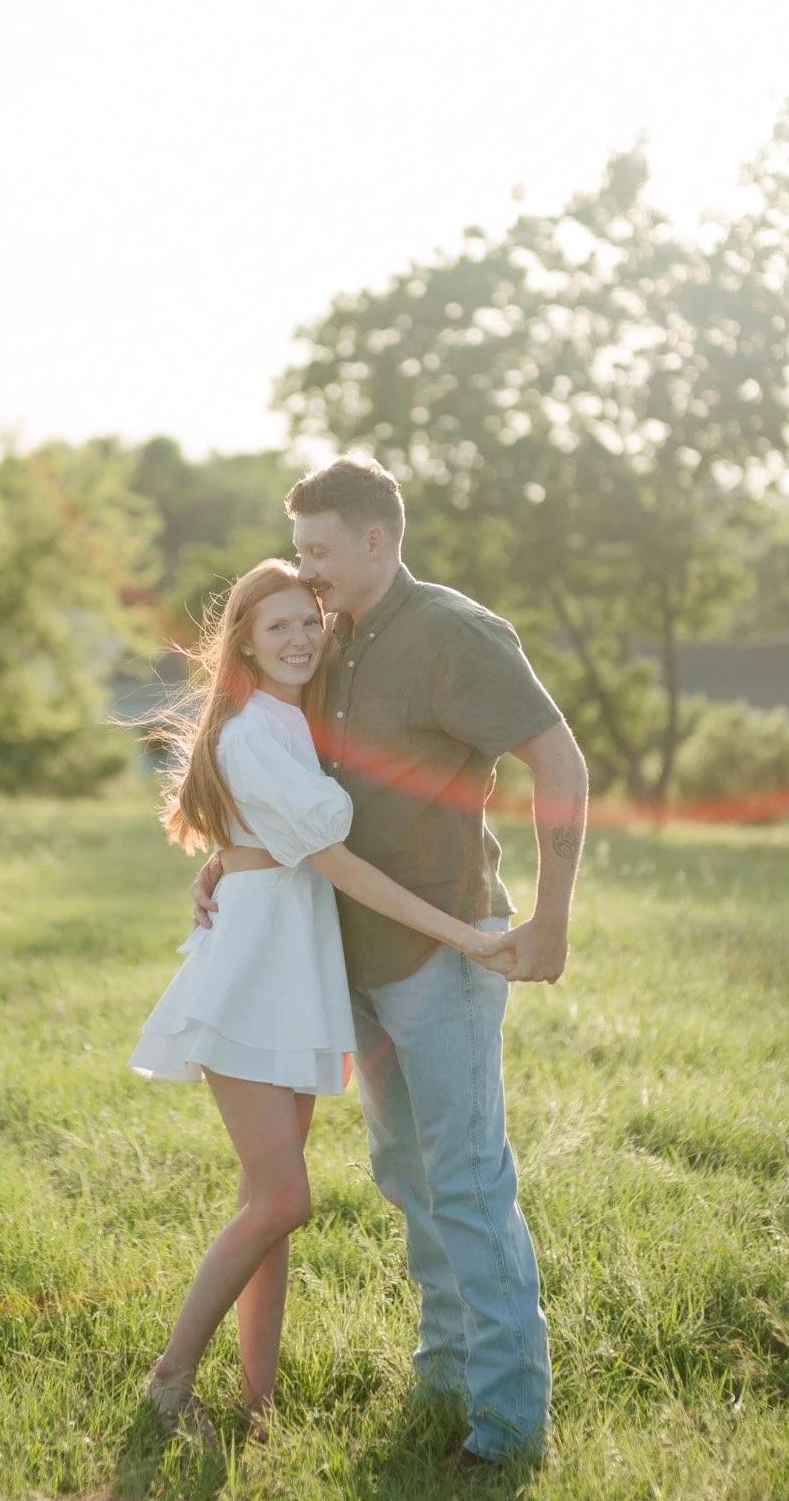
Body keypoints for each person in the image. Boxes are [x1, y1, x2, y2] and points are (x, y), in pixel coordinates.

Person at [192, 459, 588, 1469]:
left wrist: (551, 917)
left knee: (466, 1180)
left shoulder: (453, 632)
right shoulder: (332, 637)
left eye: (319, 549)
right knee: (408, 1176)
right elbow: (287, 778)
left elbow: (559, 761)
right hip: (352, 956)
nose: (305, 569)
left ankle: (506, 1424)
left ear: (375, 540)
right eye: (300, 550)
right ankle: (444, 1376)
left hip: (444, 947)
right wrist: (229, 857)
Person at [130, 558, 518, 1441]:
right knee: (281, 1201)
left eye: (309, 620)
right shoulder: (251, 733)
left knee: (268, 1204)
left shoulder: (290, 722)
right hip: (254, 976)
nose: (301, 637)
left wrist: (227, 856)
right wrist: (463, 935)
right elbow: (335, 861)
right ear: (243, 644)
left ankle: (257, 1401)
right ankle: (170, 1379)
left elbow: (268, 835)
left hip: (296, 973)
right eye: (277, 627)